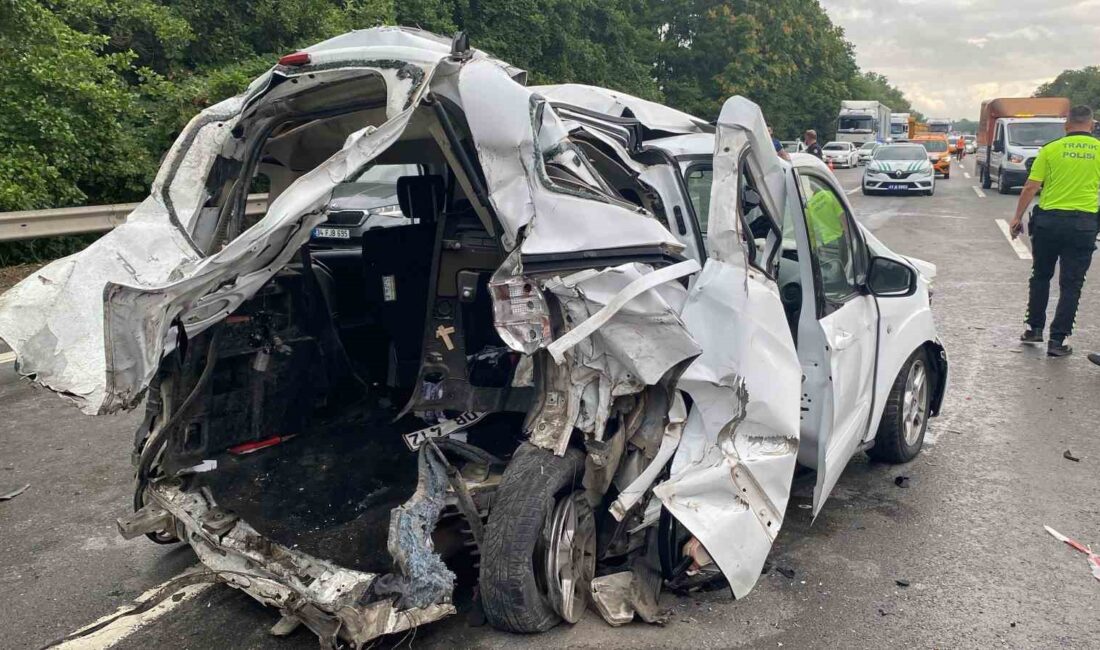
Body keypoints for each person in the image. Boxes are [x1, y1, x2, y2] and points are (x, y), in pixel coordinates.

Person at [1009, 105, 1100, 357]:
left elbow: (1030, 186)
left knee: (1041, 276)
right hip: (1083, 225)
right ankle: (1058, 342)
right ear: (1091, 125)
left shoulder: (1050, 149)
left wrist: (1016, 218)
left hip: (1048, 222)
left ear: (1067, 125)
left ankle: (1034, 329)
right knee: (1072, 284)